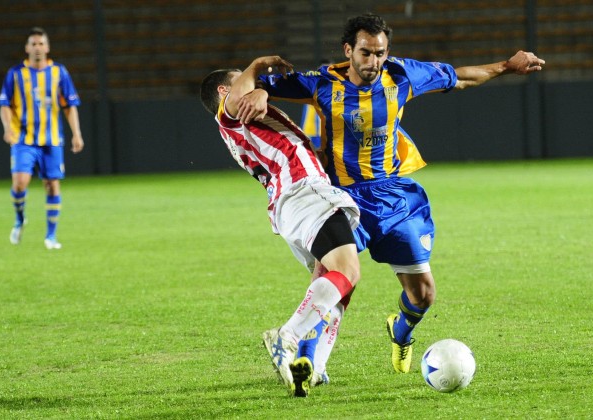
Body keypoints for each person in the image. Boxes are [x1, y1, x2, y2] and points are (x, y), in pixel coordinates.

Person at [244, 13, 545, 376]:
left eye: (380, 53)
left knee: (423, 295)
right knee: (333, 276)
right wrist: (260, 89)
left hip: (394, 198)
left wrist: (507, 66)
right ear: (348, 50)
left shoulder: (402, 75)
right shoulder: (322, 81)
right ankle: (305, 360)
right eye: (366, 53)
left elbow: (461, 77)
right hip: (342, 199)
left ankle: (400, 331)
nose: (374, 61)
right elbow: (253, 84)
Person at [199, 56, 361, 397]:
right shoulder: (231, 110)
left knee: (336, 283)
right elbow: (244, 89)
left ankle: (314, 364)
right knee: (348, 271)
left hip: (292, 201)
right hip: (304, 190)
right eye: (241, 77)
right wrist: (258, 65)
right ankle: (286, 337)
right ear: (224, 90)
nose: (254, 83)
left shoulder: (243, 122)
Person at [0, 27, 84, 250]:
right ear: (27, 48)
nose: (37, 48)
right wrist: (8, 128)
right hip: (23, 139)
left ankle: (51, 236)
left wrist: (77, 133)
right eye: (33, 44)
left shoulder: (59, 72)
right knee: (19, 184)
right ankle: (19, 219)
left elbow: (69, 106)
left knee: (52, 186)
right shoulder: (15, 74)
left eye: (40, 44)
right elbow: (5, 104)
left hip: (52, 139)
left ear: (47, 47)